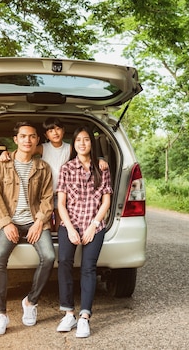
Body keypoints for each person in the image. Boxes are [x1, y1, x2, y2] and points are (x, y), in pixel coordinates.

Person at [0, 121, 56, 335]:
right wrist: (6, 223)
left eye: (32, 136)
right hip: (8, 221)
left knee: (49, 256)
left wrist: (38, 222)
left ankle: (31, 301)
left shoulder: (43, 167)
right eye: (23, 136)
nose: (28, 140)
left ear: (37, 141)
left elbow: (47, 198)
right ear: (15, 139)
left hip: (35, 221)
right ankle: (0, 314)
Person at [55, 126, 112, 338]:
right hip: (70, 223)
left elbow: (106, 201)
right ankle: (68, 313)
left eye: (86, 140)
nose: (82, 143)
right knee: (64, 263)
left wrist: (93, 226)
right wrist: (70, 228)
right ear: (74, 144)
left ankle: (84, 317)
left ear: (91, 143)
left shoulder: (102, 168)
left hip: (94, 224)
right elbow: (61, 203)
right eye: (78, 140)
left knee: (88, 268)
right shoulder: (66, 168)